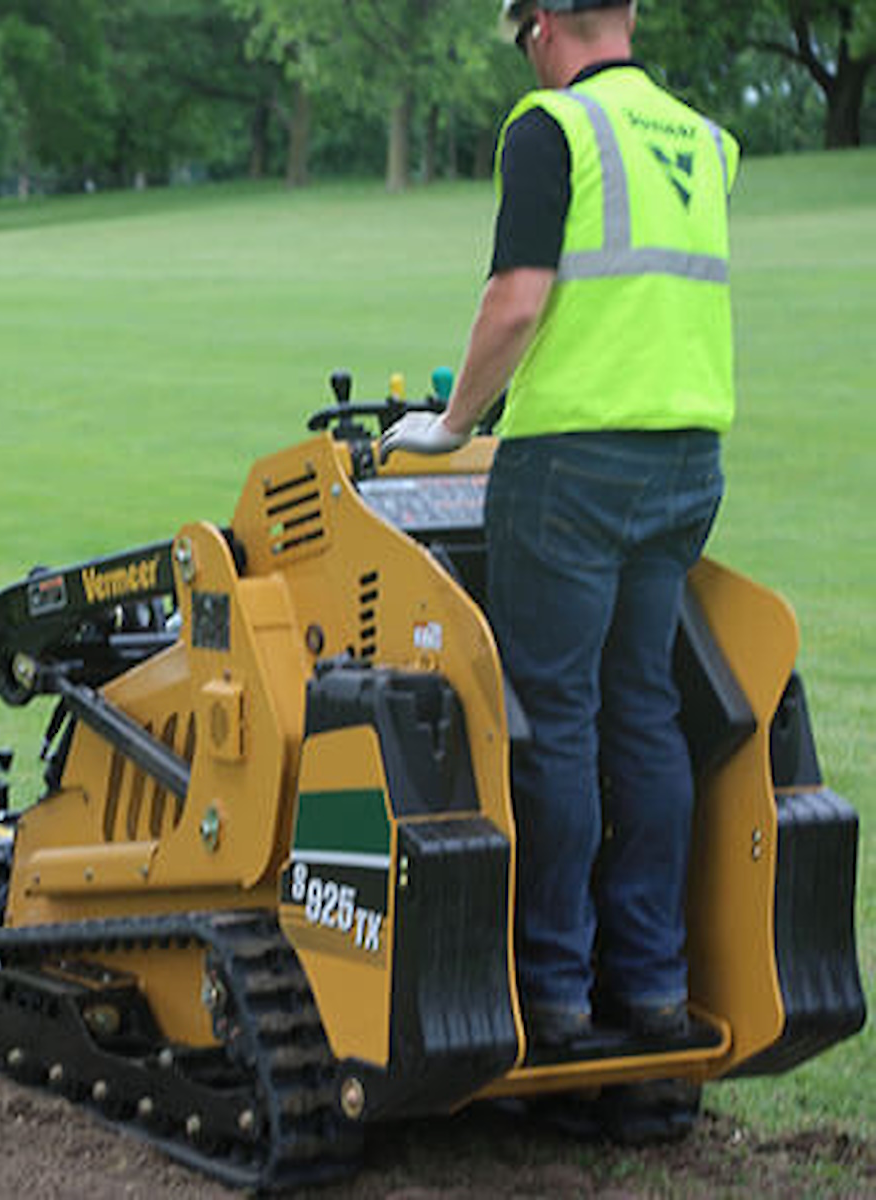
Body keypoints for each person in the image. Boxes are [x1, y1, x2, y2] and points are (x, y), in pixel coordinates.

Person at [381, 0, 738, 1048]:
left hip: (573, 467)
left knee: (555, 720)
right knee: (645, 715)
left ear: (539, 27)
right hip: (687, 464)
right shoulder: (703, 141)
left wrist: (454, 423)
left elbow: (518, 301)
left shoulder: (553, 128)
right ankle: (654, 988)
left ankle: (555, 995)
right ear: (626, 12)